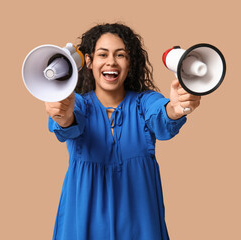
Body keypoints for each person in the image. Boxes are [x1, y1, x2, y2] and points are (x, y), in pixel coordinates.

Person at [45, 23, 201, 240]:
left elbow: (161, 115)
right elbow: (68, 121)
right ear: (88, 61)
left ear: (130, 63)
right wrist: (61, 113)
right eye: (103, 54)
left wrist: (176, 108)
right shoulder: (79, 103)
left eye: (121, 55)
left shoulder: (144, 102)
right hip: (82, 219)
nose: (111, 61)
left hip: (139, 222)